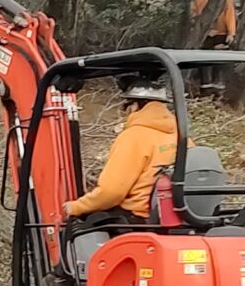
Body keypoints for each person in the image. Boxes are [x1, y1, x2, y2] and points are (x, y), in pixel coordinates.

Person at [63, 81, 178, 223]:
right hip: (175, 216)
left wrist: (76, 207)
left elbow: (111, 192)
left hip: (141, 218)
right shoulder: (180, 135)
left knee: (81, 228)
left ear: (135, 106)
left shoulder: (133, 137)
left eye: (126, 106)